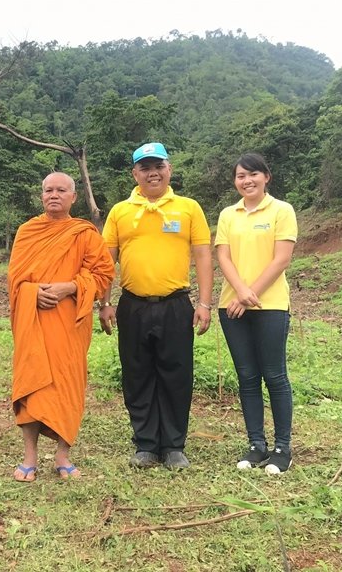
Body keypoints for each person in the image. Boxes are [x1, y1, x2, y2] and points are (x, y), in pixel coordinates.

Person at [99, 142, 213, 470]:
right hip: (132, 305)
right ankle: (146, 444)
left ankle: (174, 445)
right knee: (137, 375)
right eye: (145, 167)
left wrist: (204, 303)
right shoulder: (120, 211)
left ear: (169, 169)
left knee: (177, 374)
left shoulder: (189, 208)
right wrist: (104, 302)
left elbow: (203, 255)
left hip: (176, 304)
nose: (153, 173)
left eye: (158, 166)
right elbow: (107, 259)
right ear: (135, 173)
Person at [8, 172, 115, 482]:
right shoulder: (28, 231)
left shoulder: (85, 234)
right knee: (32, 382)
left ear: (73, 197)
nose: (53, 195)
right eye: (48, 190)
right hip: (34, 321)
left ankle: (63, 456)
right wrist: (33, 292)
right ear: (42, 196)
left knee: (68, 384)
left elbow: (103, 275)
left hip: (69, 322)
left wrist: (69, 287)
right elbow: (15, 279)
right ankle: (30, 457)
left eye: (60, 190)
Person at [215, 153, 297, 475]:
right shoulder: (227, 215)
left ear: (266, 177)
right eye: (240, 176)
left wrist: (250, 296)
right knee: (247, 376)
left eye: (252, 175)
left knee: (274, 375)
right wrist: (240, 293)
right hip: (232, 306)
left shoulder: (282, 211)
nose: (246, 181)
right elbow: (224, 257)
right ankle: (256, 445)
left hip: (271, 306)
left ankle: (282, 448)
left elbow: (281, 260)